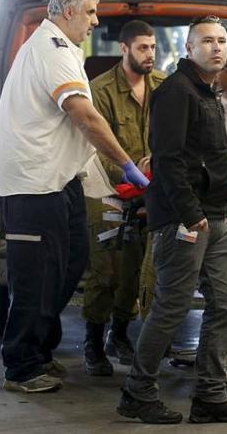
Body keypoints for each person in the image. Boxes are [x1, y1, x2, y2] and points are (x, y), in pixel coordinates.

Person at [0, 0, 149, 394]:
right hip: (33, 184)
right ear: (69, 12)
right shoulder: (51, 49)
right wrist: (126, 165)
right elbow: (84, 116)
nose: (95, 21)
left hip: (60, 180)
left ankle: (40, 350)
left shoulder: (65, 49)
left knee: (69, 264)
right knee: (36, 277)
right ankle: (20, 366)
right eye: (91, 12)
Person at [118, 16, 227, 425]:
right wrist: (192, 213)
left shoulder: (207, 92)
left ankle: (211, 395)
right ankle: (137, 392)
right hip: (184, 219)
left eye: (222, 41)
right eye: (207, 41)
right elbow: (168, 160)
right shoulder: (176, 92)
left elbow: (211, 159)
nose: (217, 48)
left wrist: (223, 209)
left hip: (214, 216)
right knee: (172, 306)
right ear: (189, 48)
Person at [82, 20, 166, 376]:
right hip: (106, 187)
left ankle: (119, 334)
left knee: (138, 265)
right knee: (106, 269)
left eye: (153, 47)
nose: (150, 54)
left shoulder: (163, 85)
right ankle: (92, 341)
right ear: (124, 49)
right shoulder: (100, 89)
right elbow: (95, 145)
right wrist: (129, 176)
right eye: (143, 48)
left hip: (149, 188)